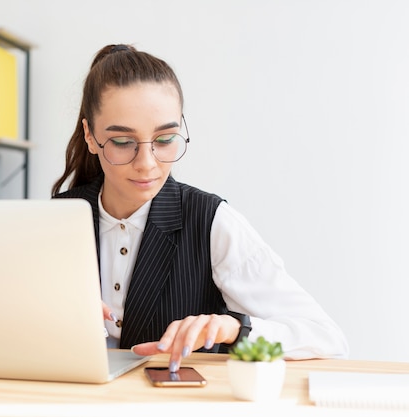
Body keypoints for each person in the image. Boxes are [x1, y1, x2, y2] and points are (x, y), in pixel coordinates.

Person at [51, 44, 349, 372]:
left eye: (165, 140)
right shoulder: (56, 219)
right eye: (123, 142)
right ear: (90, 136)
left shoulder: (210, 221)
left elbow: (327, 338)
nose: (147, 164)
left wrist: (237, 330)